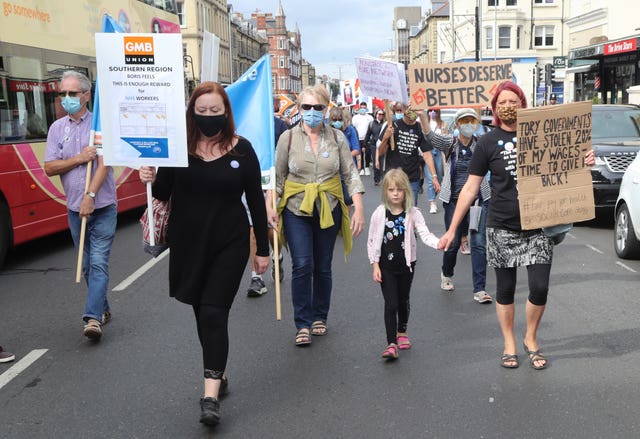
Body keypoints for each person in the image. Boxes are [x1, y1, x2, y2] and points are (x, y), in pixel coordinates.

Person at [438, 81, 595, 370]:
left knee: (539, 288)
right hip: (501, 226)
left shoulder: (540, 134)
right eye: (503, 102)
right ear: (495, 108)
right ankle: (509, 342)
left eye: (514, 101)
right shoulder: (486, 142)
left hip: (538, 225)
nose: (508, 106)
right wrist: (452, 229)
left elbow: (567, 164)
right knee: (505, 290)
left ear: (523, 104)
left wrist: (584, 159)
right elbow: (471, 188)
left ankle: (531, 338)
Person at [139, 81, 269, 426]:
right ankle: (218, 371)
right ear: (192, 113)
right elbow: (163, 192)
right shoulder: (177, 149)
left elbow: (255, 200)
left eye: (216, 110)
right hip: (188, 243)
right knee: (201, 313)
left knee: (214, 312)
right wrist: (149, 176)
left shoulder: (243, 150)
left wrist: (264, 251)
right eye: (202, 111)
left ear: (226, 112)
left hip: (230, 242)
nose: (209, 116)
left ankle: (209, 396)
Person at [265, 84, 365, 347]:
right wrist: (269, 205)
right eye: (306, 107)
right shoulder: (287, 138)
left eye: (317, 107)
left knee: (322, 266)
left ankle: (320, 316)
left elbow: (350, 174)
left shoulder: (338, 138)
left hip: (328, 207)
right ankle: (303, 322)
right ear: (299, 109)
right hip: (296, 208)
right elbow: (278, 175)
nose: (311, 112)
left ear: (326, 109)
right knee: (302, 264)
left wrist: (359, 208)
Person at [44, 70, 116, 341]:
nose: (66, 98)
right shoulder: (56, 129)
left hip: (103, 206)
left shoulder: (99, 126)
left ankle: (93, 319)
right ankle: (103, 307)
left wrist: (91, 196)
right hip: (73, 209)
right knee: (85, 265)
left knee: (98, 263)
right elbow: (50, 167)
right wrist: (78, 158)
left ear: (86, 95)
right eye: (62, 93)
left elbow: (104, 164)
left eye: (72, 93)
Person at [421, 108, 492, 304]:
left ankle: (480, 289)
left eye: (472, 121)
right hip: (453, 199)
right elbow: (430, 137)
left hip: (478, 200)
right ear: (458, 124)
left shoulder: (482, 144)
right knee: (452, 243)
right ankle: (447, 273)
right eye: (464, 121)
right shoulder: (450, 142)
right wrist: (421, 116)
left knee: (478, 244)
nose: (469, 125)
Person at [367, 169, 439, 360]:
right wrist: (375, 265)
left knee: (403, 299)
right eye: (391, 190)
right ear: (386, 192)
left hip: (407, 265)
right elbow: (372, 240)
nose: (396, 193)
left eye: (399, 189)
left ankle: (402, 331)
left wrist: (438, 243)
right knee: (390, 303)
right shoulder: (379, 213)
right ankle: (391, 343)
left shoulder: (413, 213)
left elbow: (424, 233)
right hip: (386, 267)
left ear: (406, 190)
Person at [246, 99, 290, 297]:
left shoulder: (279, 125)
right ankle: (256, 277)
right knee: (253, 228)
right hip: (248, 181)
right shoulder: (244, 123)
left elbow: (285, 155)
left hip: (272, 182)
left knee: (272, 228)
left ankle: (277, 256)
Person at [377, 101, 440, 207]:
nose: (412, 112)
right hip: (394, 178)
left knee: (411, 211)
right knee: (392, 210)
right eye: (410, 109)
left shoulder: (420, 128)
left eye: (415, 110)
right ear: (404, 109)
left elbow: (427, 154)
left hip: (412, 178)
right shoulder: (393, 125)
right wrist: (385, 138)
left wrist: (434, 177)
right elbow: (381, 152)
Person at [425, 109, 447, 214]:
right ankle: (432, 203)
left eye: (435, 111)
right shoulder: (425, 123)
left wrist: (445, 161)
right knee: (431, 179)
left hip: (439, 151)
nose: (433, 112)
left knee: (438, 177)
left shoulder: (443, 124)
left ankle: (434, 195)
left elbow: (446, 140)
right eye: (431, 110)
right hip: (427, 151)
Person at [351, 102, 374, 176]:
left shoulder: (370, 118)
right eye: (361, 108)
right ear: (359, 108)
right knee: (360, 153)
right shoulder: (355, 117)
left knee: (367, 153)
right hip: (358, 138)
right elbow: (353, 127)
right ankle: (361, 169)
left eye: (364, 108)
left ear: (366, 108)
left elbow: (371, 128)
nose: (363, 109)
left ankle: (367, 167)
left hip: (367, 138)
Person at [364, 109, 386, 185]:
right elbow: (368, 134)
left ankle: (381, 176)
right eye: (379, 114)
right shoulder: (371, 124)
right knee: (375, 162)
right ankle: (376, 179)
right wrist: (364, 144)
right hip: (373, 145)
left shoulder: (385, 124)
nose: (381, 116)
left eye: (382, 114)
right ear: (376, 114)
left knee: (382, 161)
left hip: (383, 145)